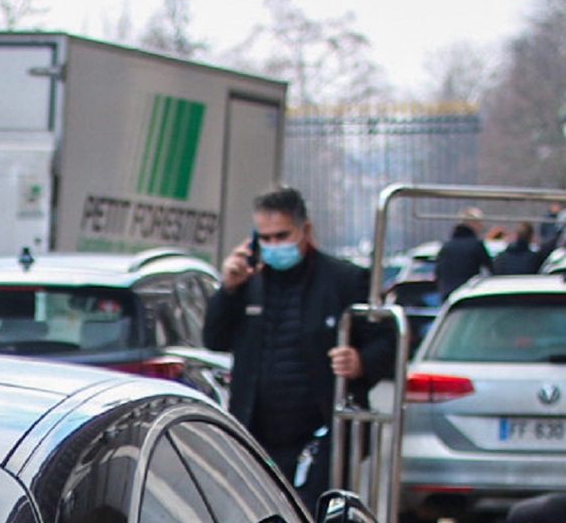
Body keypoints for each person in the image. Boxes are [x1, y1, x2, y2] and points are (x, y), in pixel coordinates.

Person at [202, 184, 397, 498]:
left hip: (322, 433)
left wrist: (360, 362)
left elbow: (388, 344)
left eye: (282, 236)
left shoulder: (345, 280)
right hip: (258, 433)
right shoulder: (249, 282)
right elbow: (214, 338)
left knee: (312, 521)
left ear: (304, 230)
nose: (273, 245)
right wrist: (228, 290)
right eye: (265, 238)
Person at [433, 215, 493, 301]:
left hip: (448, 293)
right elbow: (489, 267)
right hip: (470, 292)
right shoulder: (476, 245)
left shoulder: (446, 247)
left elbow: (438, 271)